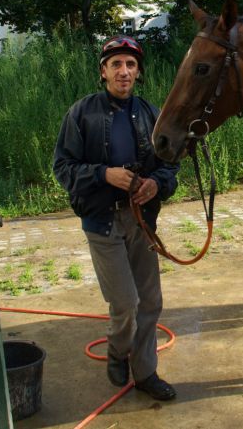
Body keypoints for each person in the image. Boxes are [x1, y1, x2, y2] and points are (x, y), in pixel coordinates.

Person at [53, 35, 179, 401]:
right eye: (116, 64)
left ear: (138, 72)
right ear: (103, 71)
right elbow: (62, 167)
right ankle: (115, 348)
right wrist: (102, 174)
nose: (123, 71)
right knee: (126, 303)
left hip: (142, 223)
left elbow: (170, 165)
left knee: (151, 303)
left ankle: (145, 373)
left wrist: (156, 184)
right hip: (103, 223)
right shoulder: (81, 113)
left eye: (130, 65)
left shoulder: (153, 114)